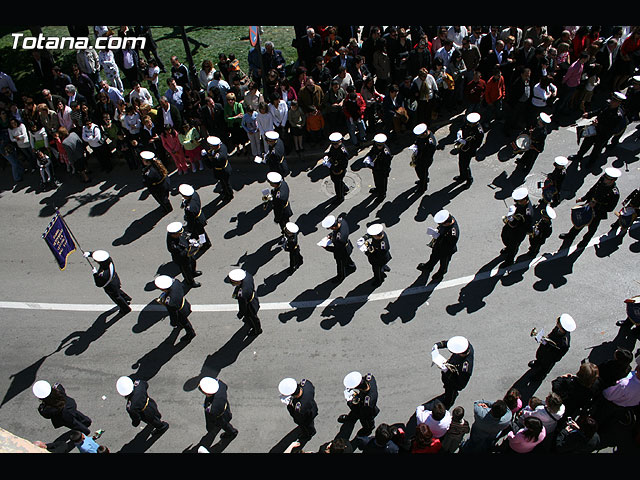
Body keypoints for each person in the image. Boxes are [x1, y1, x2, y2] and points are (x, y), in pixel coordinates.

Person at [558, 167, 621, 248]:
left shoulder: (614, 193)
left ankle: (585, 241)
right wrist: (584, 198)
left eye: (607, 179)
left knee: (592, 229)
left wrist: (596, 205)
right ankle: (570, 235)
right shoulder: (602, 179)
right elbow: (593, 189)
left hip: (598, 212)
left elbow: (610, 208)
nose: (604, 180)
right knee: (580, 221)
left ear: (613, 181)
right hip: (589, 205)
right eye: (605, 177)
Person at [569, 92, 627, 168]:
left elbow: (611, 128)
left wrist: (598, 125)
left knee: (596, 149)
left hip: (603, 135)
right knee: (586, 143)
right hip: (595, 130)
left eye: (615, 101)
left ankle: (591, 162)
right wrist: (589, 114)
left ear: (619, 103)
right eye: (613, 99)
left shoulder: (618, 115)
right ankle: (579, 155)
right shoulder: (607, 105)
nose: (612, 102)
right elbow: (599, 111)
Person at [83, 250, 132, 315]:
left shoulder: (104, 274)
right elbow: (100, 255)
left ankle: (125, 309)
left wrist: (95, 274)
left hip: (110, 286)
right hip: (115, 280)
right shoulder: (108, 260)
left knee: (116, 297)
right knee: (118, 290)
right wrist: (90, 254)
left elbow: (99, 284)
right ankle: (126, 298)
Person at [431, 336, 474, 409]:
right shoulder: (465, 345)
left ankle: (445, 407)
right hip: (449, 370)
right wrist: (438, 345)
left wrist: (447, 372)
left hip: (452, 385)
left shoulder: (465, 368)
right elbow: (451, 344)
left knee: (449, 398)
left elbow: (460, 385)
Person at [528, 314, 576, 379]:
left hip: (551, 356)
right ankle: (538, 362)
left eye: (558, 324)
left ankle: (540, 375)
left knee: (545, 366)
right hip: (545, 347)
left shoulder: (565, 342)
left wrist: (552, 359)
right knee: (539, 355)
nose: (557, 325)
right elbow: (551, 334)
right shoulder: (557, 328)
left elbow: (559, 355)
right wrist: (543, 339)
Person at [418, 209, 459, 282]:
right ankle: (428, 266)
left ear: (446, 223)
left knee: (444, 263)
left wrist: (439, 236)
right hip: (438, 247)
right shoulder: (449, 219)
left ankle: (441, 272)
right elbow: (441, 228)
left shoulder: (453, 233)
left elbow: (448, 244)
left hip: (446, 251)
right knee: (433, 257)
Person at [153, 275, 197, 341]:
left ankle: (191, 333)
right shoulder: (176, 282)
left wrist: (173, 323)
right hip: (185, 303)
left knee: (185, 322)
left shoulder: (170, 302)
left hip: (180, 311)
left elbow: (173, 314)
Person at [500, 187, 534, 267]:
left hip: (518, 233)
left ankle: (509, 261)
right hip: (511, 226)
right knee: (504, 236)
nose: (517, 203)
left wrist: (514, 222)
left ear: (525, 200)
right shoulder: (521, 203)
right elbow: (517, 207)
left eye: (519, 201)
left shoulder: (528, 212)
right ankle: (508, 247)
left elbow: (525, 226)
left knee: (513, 247)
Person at [338, 371, 380, 436]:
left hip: (367, 412)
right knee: (354, 412)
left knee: (366, 421)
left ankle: (367, 430)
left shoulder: (368, 401)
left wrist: (349, 402)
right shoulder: (370, 378)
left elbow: (360, 412)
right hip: (362, 402)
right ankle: (350, 418)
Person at [278, 377, 318, 441]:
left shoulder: (299, 407)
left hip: (307, 417)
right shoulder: (306, 384)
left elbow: (297, 417)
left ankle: (309, 434)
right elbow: (312, 388)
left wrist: (289, 406)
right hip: (312, 407)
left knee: (307, 426)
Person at [199, 377, 238, 441]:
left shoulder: (212, 408)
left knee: (224, 424)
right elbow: (225, 387)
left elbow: (211, 418)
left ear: (208, 393)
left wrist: (209, 428)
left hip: (220, 417)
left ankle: (232, 433)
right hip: (225, 407)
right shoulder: (220, 384)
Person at [321, 213, 357, 283]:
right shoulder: (342, 221)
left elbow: (336, 249)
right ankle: (352, 266)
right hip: (347, 246)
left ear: (333, 227)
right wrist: (330, 235)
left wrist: (326, 247)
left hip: (341, 252)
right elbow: (336, 231)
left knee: (340, 265)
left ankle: (340, 276)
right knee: (347, 258)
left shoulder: (339, 239)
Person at [166, 221, 201, 289]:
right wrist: (189, 250)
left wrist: (190, 241)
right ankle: (190, 282)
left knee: (193, 262)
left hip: (188, 253)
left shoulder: (178, 235)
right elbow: (180, 253)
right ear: (173, 234)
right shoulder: (172, 244)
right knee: (186, 271)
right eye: (179, 233)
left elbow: (184, 236)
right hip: (181, 259)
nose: (181, 234)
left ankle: (193, 272)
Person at [179, 183, 212, 254]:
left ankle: (205, 244)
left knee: (201, 233)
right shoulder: (194, 194)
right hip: (200, 215)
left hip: (197, 221)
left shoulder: (190, 209)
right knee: (200, 232)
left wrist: (189, 229)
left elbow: (191, 221)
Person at [228, 269, 262, 336]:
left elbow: (243, 307)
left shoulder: (242, 294)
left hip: (249, 305)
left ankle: (257, 330)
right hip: (253, 296)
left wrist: (240, 314)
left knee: (252, 318)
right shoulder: (247, 275)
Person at [453, 112, 484, 185]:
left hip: (469, 150)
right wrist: (460, 133)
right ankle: (462, 176)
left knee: (466, 166)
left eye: (470, 123)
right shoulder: (468, 124)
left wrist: (466, 142)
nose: (468, 124)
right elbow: (462, 127)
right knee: (461, 163)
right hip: (463, 148)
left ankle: (469, 179)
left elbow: (477, 144)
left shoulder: (479, 132)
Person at [202, 136, 233, 202]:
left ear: (215, 146)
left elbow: (210, 165)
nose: (210, 147)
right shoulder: (222, 146)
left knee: (226, 184)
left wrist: (205, 157)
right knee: (222, 182)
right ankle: (225, 191)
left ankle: (229, 195)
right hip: (223, 168)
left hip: (222, 171)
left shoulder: (218, 157)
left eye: (211, 146)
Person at [363, 133, 393, 200]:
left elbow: (386, 164)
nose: (378, 146)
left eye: (380, 145)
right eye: (377, 144)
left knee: (382, 182)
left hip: (382, 170)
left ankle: (382, 194)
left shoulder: (386, 153)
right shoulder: (375, 146)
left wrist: (376, 165)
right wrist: (368, 157)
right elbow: (372, 152)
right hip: (375, 168)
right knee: (376, 179)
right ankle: (377, 189)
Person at [409, 123, 437, 192]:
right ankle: (424, 179)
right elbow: (418, 141)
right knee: (419, 172)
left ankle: (423, 187)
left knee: (422, 173)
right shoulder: (422, 136)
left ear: (424, 133)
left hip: (425, 161)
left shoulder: (431, 142)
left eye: (420, 136)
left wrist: (418, 152)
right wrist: (415, 145)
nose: (419, 137)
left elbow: (428, 155)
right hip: (419, 158)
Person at [324, 132, 350, 203]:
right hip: (333, 167)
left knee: (337, 185)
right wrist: (327, 157)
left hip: (339, 170)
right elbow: (331, 153)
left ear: (340, 141)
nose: (334, 145)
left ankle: (340, 198)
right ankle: (344, 188)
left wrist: (331, 166)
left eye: (336, 144)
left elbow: (344, 164)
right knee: (334, 180)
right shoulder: (333, 146)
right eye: (333, 143)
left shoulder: (343, 151)